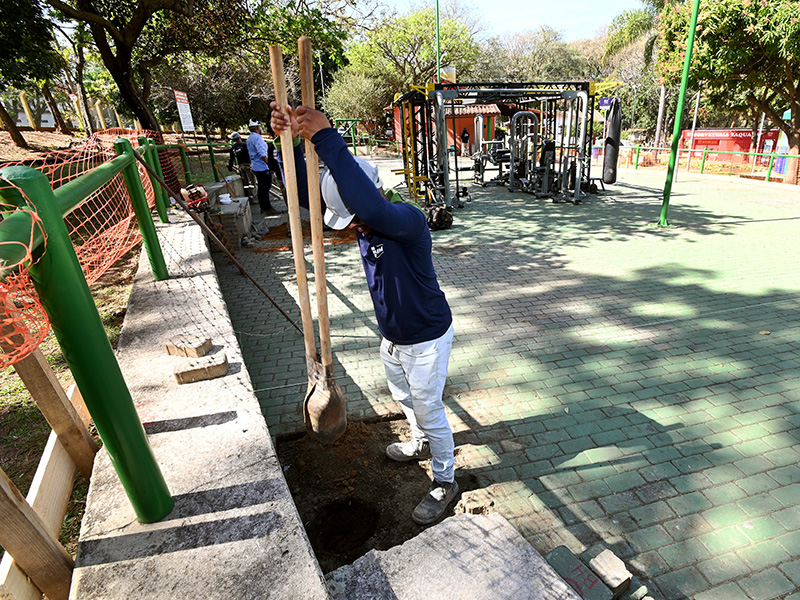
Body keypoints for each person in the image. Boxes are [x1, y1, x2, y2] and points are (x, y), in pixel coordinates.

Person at [271, 101, 459, 526]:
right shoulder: (366, 222)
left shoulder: (406, 220)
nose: (353, 226)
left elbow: (370, 209)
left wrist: (325, 135)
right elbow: (305, 199)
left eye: (354, 217)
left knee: (430, 407)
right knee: (404, 397)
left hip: (426, 337)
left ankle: (446, 480)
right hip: (393, 336)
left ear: (373, 194)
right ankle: (419, 441)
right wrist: (289, 142)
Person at [245, 119, 279, 215]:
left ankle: (264, 207)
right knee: (265, 188)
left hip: (257, 167)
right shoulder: (257, 139)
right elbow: (262, 155)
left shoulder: (250, 139)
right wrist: (271, 166)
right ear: (257, 128)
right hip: (262, 167)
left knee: (261, 188)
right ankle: (267, 208)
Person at [227, 132, 256, 204]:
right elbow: (251, 154)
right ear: (239, 138)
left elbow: (231, 159)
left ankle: (248, 196)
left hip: (240, 167)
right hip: (247, 165)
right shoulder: (245, 145)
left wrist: (230, 167)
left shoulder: (232, 148)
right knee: (251, 182)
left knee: (245, 182)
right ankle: (252, 197)